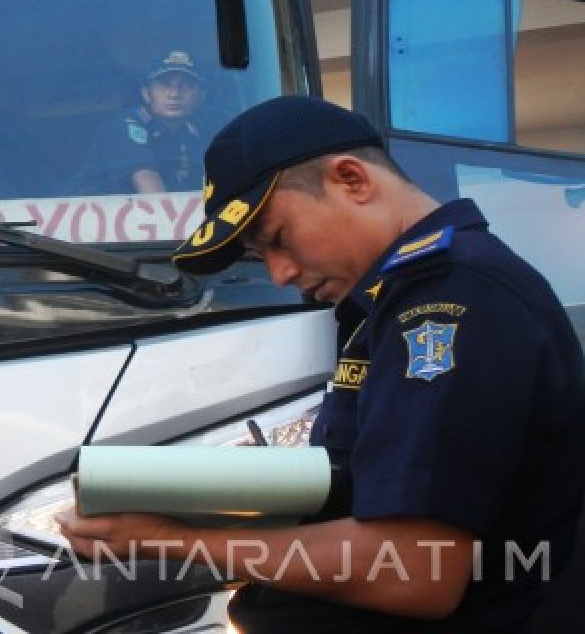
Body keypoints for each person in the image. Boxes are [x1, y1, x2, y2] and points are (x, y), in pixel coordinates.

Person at [58, 95, 585, 632]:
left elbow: (414, 570)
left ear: (352, 179)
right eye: (262, 257)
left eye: (279, 240)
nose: (281, 273)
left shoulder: (447, 301)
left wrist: (166, 539)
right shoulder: (392, 300)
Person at [76, 50, 215, 194]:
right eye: (164, 85)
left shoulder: (196, 136)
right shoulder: (122, 127)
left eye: (185, 85)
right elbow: (153, 194)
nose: (174, 94)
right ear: (146, 93)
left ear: (201, 97)